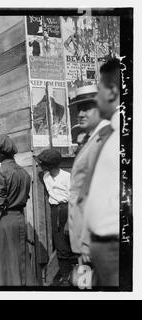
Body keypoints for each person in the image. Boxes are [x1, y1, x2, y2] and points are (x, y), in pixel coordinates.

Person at [82, 58, 120, 286]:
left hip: (115, 247)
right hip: (104, 247)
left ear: (113, 91)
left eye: (99, 90)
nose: (96, 100)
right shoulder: (113, 132)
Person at [0, 134, 35, 286]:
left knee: (0, 266)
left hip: (3, 222)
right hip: (19, 221)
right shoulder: (24, 173)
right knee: (18, 262)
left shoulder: (1, 172)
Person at [67, 85, 110, 261]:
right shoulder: (91, 138)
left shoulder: (104, 138)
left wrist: (88, 241)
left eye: (86, 108)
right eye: (78, 109)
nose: (80, 114)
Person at [36, 149, 75, 284]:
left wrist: (69, 222)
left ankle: (77, 276)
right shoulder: (45, 177)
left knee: (72, 244)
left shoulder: (67, 177)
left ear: (50, 164)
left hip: (68, 210)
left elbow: (74, 200)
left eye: (42, 163)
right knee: (60, 246)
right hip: (55, 212)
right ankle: (65, 278)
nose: (40, 165)